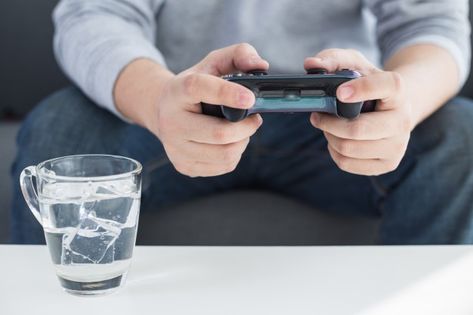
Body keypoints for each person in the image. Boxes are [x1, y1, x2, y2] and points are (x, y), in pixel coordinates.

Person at [10, 0, 473, 244]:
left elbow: (431, 22)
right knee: (60, 131)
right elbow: (97, 14)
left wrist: (401, 104)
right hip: (175, 108)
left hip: (337, 122)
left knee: (457, 135)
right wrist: (157, 102)